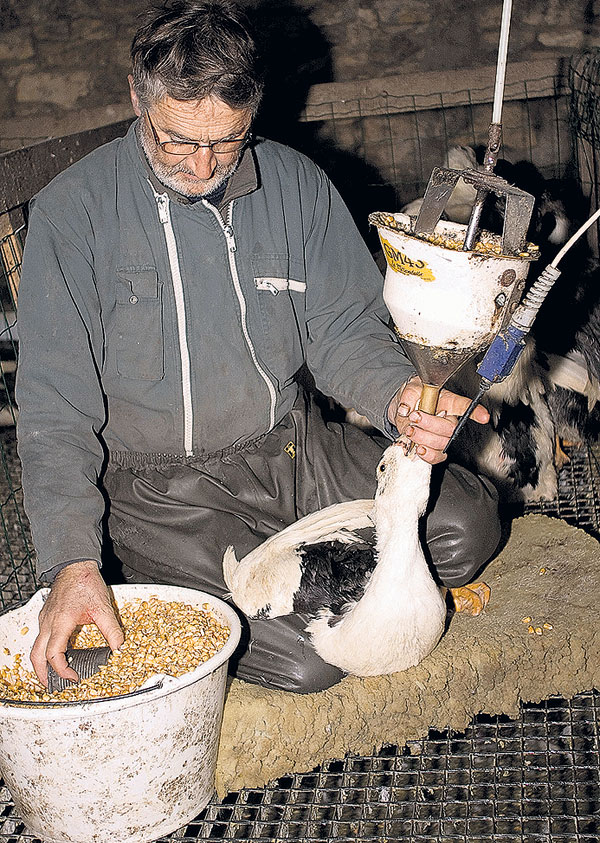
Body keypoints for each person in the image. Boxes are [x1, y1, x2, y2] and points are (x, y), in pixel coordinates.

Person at [15, 0, 500, 695]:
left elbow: (343, 329)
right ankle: (239, 574)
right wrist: (70, 561)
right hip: (165, 495)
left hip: (293, 450)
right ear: (137, 97)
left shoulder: (296, 186)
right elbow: (54, 410)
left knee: (468, 528)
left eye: (229, 140)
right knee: (311, 661)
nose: (203, 164)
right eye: (178, 140)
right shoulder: (76, 213)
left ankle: (321, 568)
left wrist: (395, 395)